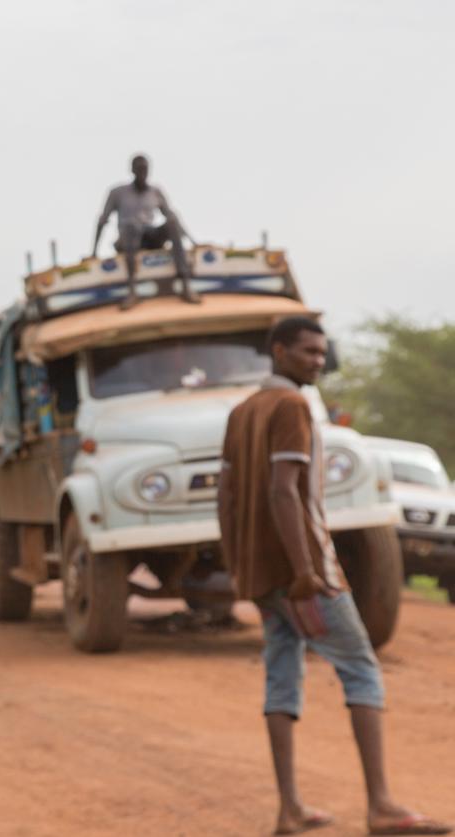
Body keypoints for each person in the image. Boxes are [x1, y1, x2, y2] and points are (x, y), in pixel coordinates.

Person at [217, 317, 449, 837]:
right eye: (306, 352)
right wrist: (304, 572)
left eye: (322, 353)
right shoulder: (292, 407)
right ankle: (382, 806)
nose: (317, 361)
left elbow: (226, 498)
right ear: (278, 351)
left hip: (262, 577)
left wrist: (241, 568)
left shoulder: (242, 412)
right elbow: (284, 491)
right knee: (361, 668)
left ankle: (289, 809)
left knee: (282, 675)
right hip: (304, 575)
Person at [92, 153, 201, 310]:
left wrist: (194, 242)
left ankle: (185, 284)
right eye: (139, 169)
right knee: (132, 226)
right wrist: (93, 252)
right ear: (132, 170)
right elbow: (102, 220)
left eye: (145, 169)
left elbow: (171, 216)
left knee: (171, 221)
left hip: (150, 236)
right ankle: (132, 290)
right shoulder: (117, 192)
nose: (143, 173)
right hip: (127, 238)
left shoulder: (155, 192)